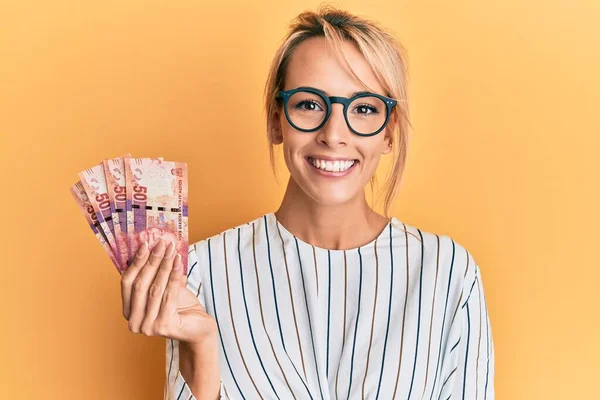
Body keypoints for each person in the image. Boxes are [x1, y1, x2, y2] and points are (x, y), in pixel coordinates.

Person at [120, 5, 495, 399]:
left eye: (364, 108)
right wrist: (202, 349)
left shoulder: (448, 272)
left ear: (388, 133)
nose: (334, 134)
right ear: (275, 119)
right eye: (309, 104)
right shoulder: (200, 272)